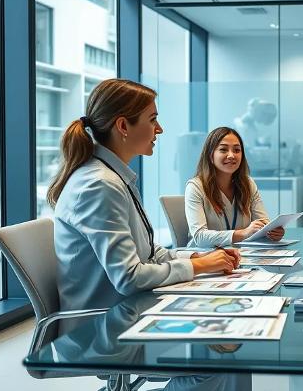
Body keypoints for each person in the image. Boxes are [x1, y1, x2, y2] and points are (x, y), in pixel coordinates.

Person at [49, 79, 240, 311]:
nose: (159, 129)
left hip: (132, 307)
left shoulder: (113, 177)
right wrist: (199, 267)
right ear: (123, 126)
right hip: (105, 325)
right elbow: (129, 277)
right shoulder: (100, 185)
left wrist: (197, 258)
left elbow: (149, 252)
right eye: (152, 120)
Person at [185, 126, 284, 248]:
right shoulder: (195, 187)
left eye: (237, 150)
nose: (231, 155)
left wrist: (271, 232)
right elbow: (200, 237)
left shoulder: (248, 184)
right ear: (211, 156)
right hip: (204, 258)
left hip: (241, 256)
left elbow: (262, 223)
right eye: (223, 150)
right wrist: (243, 233)